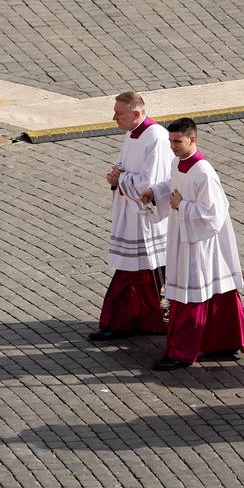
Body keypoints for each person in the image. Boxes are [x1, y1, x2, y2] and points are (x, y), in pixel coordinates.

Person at [144, 119, 244, 371]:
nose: (172, 146)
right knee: (211, 292)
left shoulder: (203, 172)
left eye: (177, 141)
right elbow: (171, 186)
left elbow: (214, 213)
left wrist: (181, 206)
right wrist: (155, 192)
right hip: (182, 236)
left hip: (201, 244)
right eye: (171, 141)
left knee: (191, 295)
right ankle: (224, 341)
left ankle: (181, 352)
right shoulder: (178, 163)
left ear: (192, 140)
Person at [91, 92, 174, 341]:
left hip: (146, 218)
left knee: (139, 272)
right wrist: (114, 176)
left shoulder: (156, 138)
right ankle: (131, 319)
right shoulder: (132, 133)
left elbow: (151, 183)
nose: (114, 118)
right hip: (129, 213)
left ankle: (128, 320)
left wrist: (121, 178)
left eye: (119, 113)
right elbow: (122, 167)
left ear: (136, 114)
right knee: (132, 270)